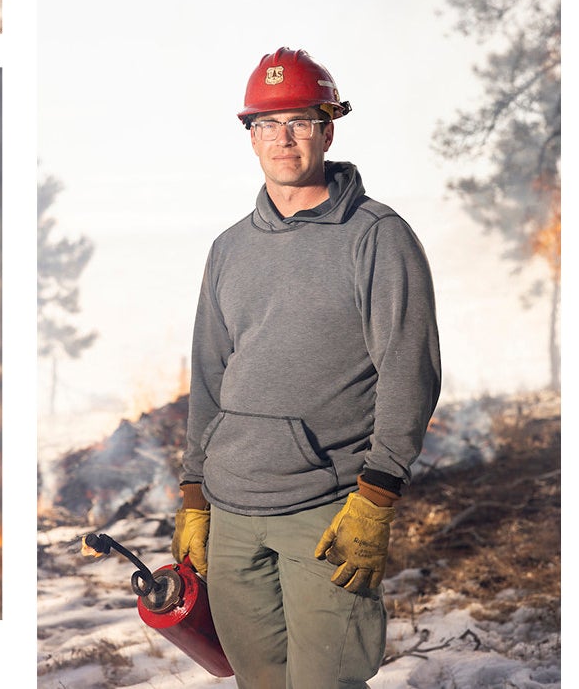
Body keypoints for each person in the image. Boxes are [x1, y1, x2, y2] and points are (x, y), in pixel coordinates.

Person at [173, 48, 441, 685]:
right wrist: (193, 493)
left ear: (328, 126)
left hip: (327, 512)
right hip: (232, 510)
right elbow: (209, 374)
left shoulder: (378, 238)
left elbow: (411, 371)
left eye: (297, 120)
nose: (282, 139)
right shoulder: (229, 247)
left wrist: (378, 494)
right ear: (250, 135)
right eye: (266, 124)